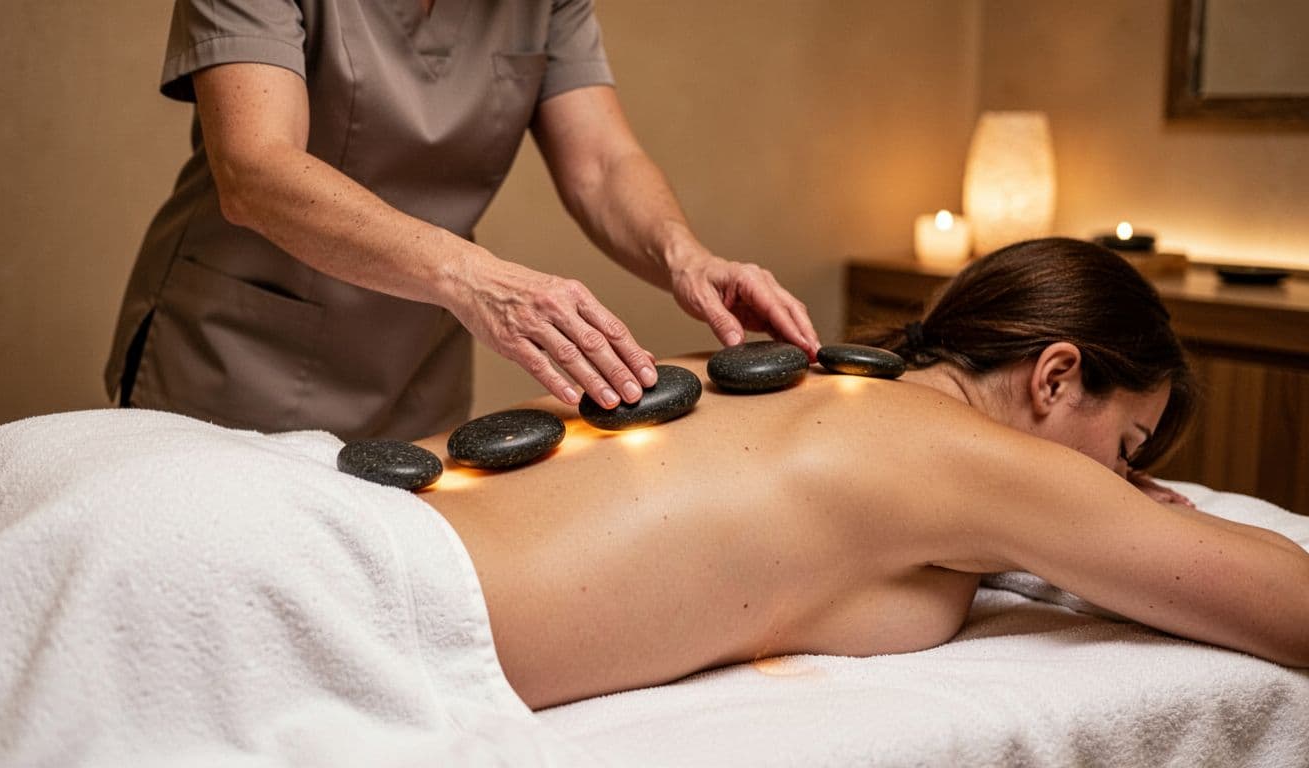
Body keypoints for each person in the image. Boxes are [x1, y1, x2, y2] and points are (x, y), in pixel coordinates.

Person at [411, 238, 1309, 709]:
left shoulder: (794, 376)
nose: (1119, 483)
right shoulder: (973, 458)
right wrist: (1124, 513)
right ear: (1056, 376)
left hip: (342, 517)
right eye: (1125, 449)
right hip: (376, 599)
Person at [105, 0, 819, 441]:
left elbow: (602, 162)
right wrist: (475, 278)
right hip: (239, 352)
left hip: (413, 362)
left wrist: (685, 256)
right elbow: (254, 169)